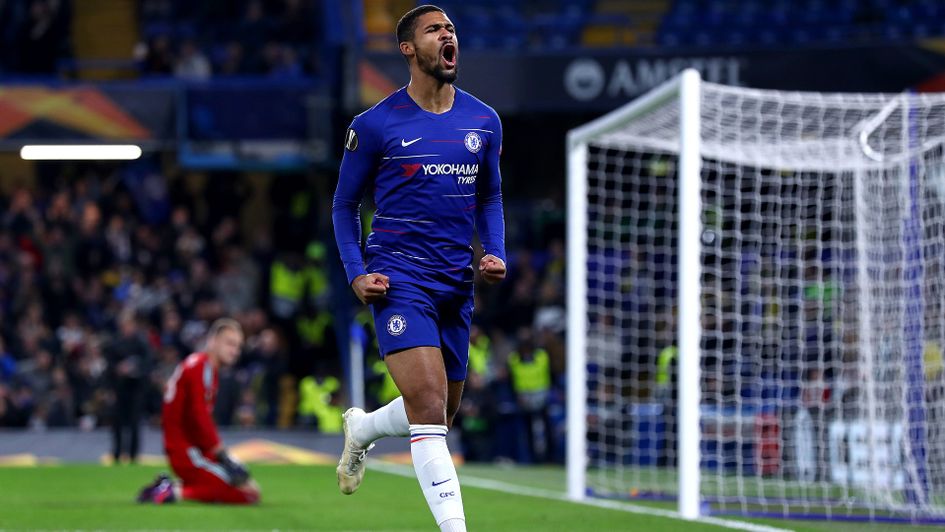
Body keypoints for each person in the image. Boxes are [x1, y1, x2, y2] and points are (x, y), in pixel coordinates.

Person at [331, 5, 506, 531]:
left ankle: (362, 429)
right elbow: (344, 206)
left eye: (451, 28)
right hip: (399, 276)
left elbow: (491, 195)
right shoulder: (375, 125)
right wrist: (356, 273)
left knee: (442, 412)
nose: (447, 35)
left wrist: (494, 250)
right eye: (435, 29)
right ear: (409, 48)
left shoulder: (483, 120)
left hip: (456, 281)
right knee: (429, 408)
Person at [137, 318, 261, 504]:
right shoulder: (201, 367)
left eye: (238, 346)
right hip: (187, 450)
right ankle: (170, 492)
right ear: (213, 341)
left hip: (193, 448)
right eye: (230, 343)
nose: (235, 351)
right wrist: (221, 453)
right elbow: (199, 415)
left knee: (250, 487)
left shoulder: (204, 367)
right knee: (245, 494)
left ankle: (170, 488)